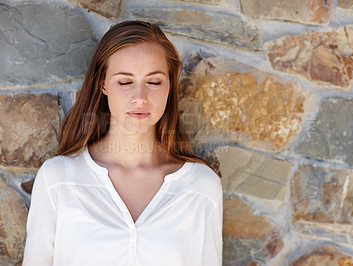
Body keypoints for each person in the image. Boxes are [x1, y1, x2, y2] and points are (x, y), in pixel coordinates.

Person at [23, 21, 222, 266]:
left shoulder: (201, 187)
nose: (140, 98)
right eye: (125, 82)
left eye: (155, 82)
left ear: (170, 86)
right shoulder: (58, 179)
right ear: (103, 84)